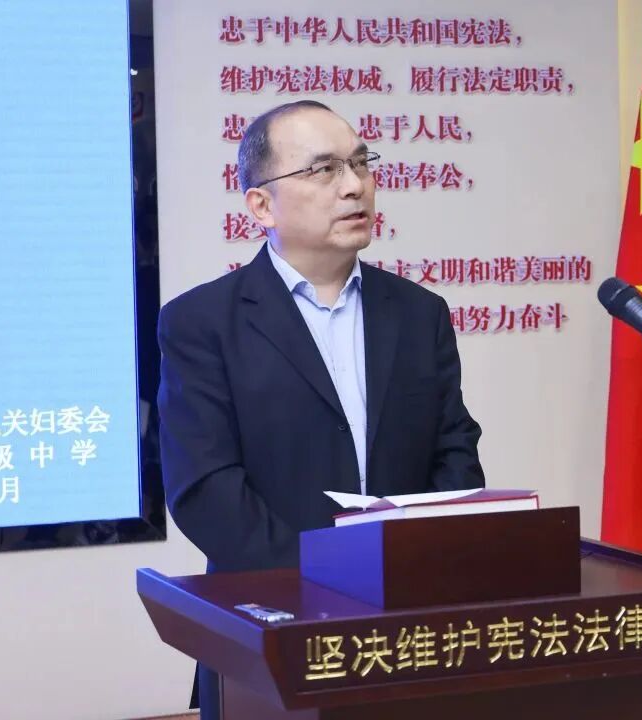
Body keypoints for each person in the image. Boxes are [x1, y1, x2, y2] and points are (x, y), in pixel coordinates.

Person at [156, 100, 486, 719]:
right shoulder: (202, 323)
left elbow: (455, 454)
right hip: (267, 639)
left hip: (409, 636)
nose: (354, 185)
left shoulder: (419, 314)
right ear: (261, 205)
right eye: (324, 169)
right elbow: (206, 489)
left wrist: (416, 571)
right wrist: (332, 585)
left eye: (361, 163)